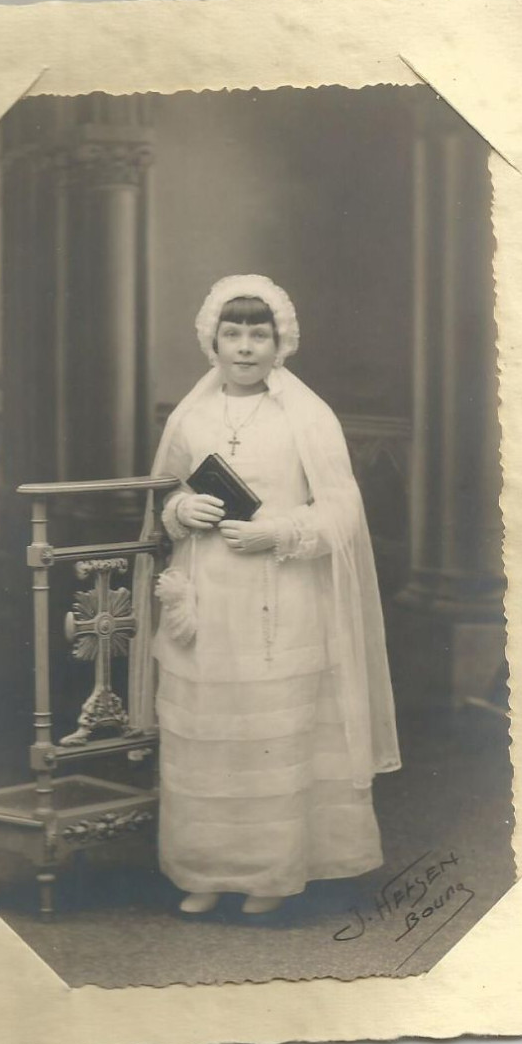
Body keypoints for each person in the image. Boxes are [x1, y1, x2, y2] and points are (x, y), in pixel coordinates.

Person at [130, 275, 400, 915]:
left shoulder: (307, 417)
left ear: (281, 342)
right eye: (234, 333)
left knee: (271, 731)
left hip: (279, 592)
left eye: (259, 333)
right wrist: (180, 508)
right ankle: (205, 870)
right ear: (212, 340)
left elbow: (342, 513)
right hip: (205, 595)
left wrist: (278, 530)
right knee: (206, 730)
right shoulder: (191, 417)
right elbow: (160, 495)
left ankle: (270, 874)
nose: (246, 347)